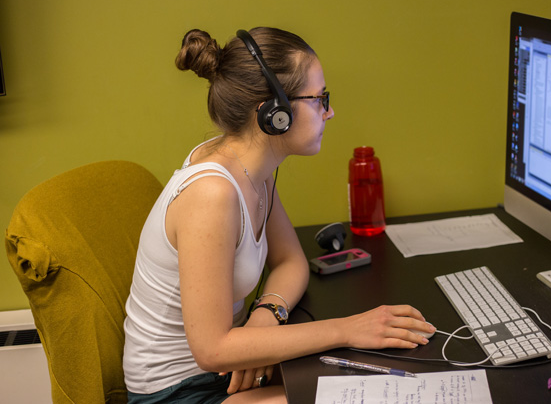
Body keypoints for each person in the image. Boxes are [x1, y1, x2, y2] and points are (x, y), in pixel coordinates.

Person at [122, 27, 435, 403]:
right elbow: (212, 351)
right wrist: (349, 329)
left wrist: (264, 318)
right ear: (274, 114)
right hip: (179, 392)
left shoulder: (253, 168)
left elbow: (290, 262)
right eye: (319, 98)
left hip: (226, 369)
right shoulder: (212, 193)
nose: (330, 111)